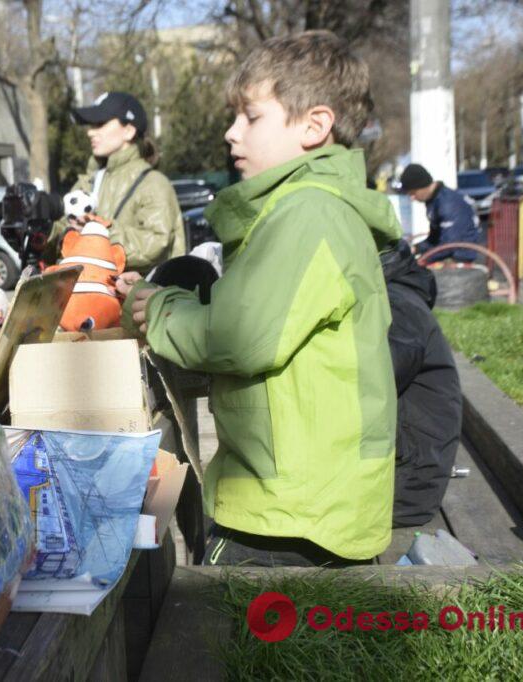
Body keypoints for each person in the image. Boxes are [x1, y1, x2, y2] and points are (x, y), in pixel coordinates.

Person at [117, 31, 401, 566]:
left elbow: (240, 335)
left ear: (315, 125)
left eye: (251, 116)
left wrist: (158, 309)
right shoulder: (303, 209)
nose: (231, 132)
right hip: (305, 495)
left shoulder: (307, 213)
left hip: (290, 512)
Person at [46, 92, 185, 274]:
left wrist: (98, 231)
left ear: (129, 131)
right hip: (85, 296)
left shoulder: (154, 183)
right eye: (91, 125)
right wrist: (42, 231)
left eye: (100, 123)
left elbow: (157, 242)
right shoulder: (88, 181)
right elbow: (64, 233)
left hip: (135, 299)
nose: (90, 132)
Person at [380, 240, 462, 527]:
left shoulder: (395, 307)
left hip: (401, 491)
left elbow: (369, 383)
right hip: (405, 477)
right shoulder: (397, 296)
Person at [400, 163, 482, 263]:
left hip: (461, 258)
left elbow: (449, 245)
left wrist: (423, 260)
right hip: (448, 254)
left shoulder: (448, 203)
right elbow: (435, 239)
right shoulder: (433, 200)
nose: (412, 198)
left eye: (413, 193)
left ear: (423, 185)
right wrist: (416, 249)